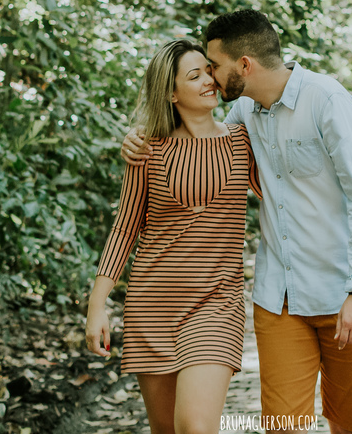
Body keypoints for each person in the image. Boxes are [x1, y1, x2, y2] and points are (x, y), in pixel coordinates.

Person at [122, 10, 352, 434]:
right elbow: (199, 140)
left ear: (243, 65)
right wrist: (142, 137)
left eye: (213, 65)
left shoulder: (326, 99)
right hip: (280, 297)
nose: (209, 76)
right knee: (284, 426)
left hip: (347, 290)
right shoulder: (242, 115)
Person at [86, 39, 261, 434]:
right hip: (153, 306)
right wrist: (98, 304)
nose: (208, 81)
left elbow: (283, 191)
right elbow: (125, 226)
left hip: (217, 304)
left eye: (208, 71)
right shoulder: (148, 148)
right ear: (170, 91)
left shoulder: (243, 140)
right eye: (193, 75)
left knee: (195, 426)